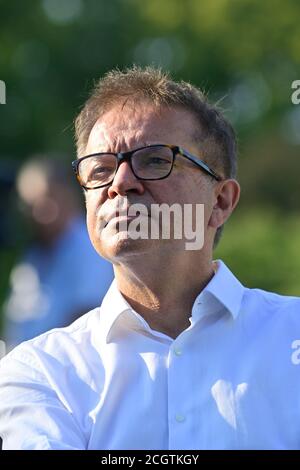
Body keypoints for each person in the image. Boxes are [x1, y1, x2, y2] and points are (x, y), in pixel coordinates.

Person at [0, 67, 299, 450]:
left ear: (220, 201)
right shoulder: (39, 372)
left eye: (156, 160)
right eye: (100, 169)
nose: (120, 182)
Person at [2, 157, 113, 349]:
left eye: (48, 197)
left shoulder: (90, 248)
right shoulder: (33, 257)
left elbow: (85, 318)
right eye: (30, 204)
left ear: (69, 195)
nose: (39, 211)